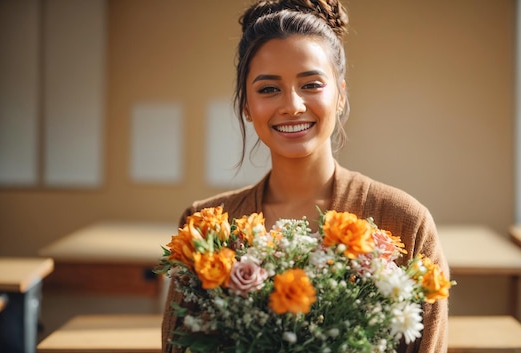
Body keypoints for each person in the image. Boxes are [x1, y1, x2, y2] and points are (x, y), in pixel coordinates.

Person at [161, 0, 449, 352]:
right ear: (246, 106)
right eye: (268, 89)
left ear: (341, 94)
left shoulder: (405, 222)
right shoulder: (204, 229)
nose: (292, 105)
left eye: (311, 84)